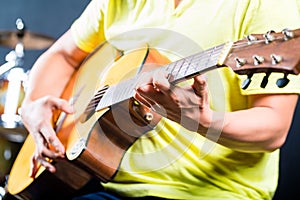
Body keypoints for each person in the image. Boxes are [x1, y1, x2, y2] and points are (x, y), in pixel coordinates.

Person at [19, 0, 300, 199]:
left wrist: (203, 121)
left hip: (210, 193)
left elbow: (273, 128)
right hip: (107, 186)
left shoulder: (268, 3)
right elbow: (64, 54)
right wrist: (34, 103)